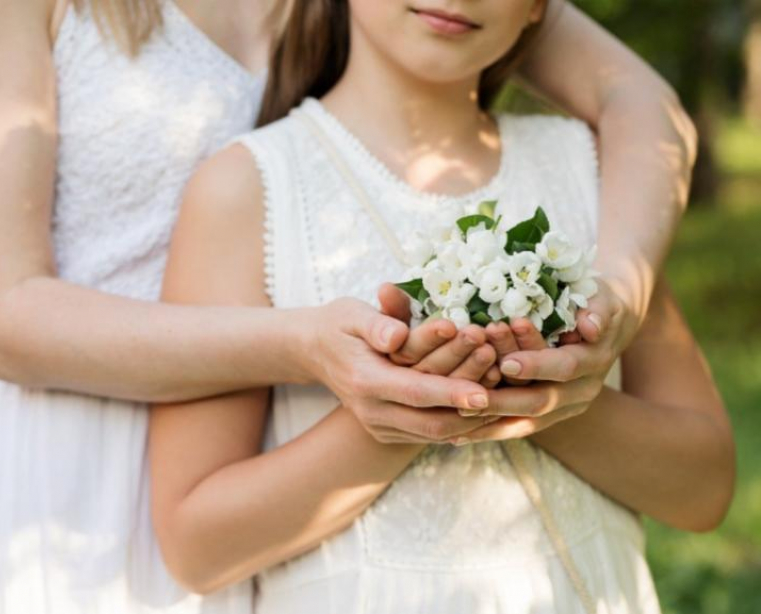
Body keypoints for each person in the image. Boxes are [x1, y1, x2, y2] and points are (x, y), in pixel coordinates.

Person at [0, 0, 697, 612]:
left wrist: (613, 303)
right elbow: (0, 314)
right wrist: (310, 350)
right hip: (77, 477)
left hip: (286, 471)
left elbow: (642, 104)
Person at [148, 0, 735, 612]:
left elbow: (705, 487)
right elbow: (197, 547)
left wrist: (546, 388)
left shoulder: (596, 174)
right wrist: (412, 406)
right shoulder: (247, 189)